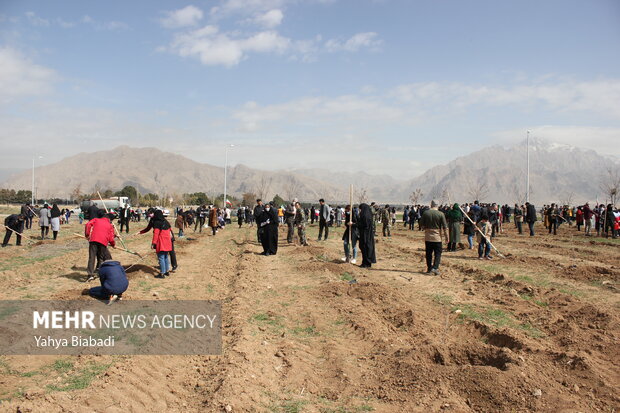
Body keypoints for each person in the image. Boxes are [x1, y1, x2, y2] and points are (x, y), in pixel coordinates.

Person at [85, 210, 115, 281]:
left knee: (91, 258)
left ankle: (90, 275)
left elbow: (88, 224)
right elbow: (111, 237)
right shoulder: (110, 225)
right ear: (109, 219)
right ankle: (99, 273)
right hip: (103, 242)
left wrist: (87, 234)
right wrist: (113, 244)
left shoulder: (96, 220)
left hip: (93, 240)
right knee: (101, 258)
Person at [419, 200, 448, 275]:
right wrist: (447, 237)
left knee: (428, 253)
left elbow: (421, 224)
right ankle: (435, 268)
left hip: (428, 237)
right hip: (437, 237)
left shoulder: (426, 213)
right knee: (438, 253)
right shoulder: (441, 214)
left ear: (431, 205)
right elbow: (445, 227)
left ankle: (429, 268)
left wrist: (425, 228)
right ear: (437, 205)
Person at [152, 212, 174, 278]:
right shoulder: (166, 222)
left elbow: (156, 234)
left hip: (161, 242)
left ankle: (162, 273)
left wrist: (154, 243)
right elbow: (170, 231)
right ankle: (167, 271)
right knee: (166, 257)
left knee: (161, 257)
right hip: (168, 241)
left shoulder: (157, 223)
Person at [357, 203, 376, 268]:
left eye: (360, 209)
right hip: (368, 235)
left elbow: (363, 225)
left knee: (365, 248)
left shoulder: (365, 216)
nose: (360, 211)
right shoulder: (368, 214)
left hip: (365, 235)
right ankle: (367, 263)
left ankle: (365, 263)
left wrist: (355, 224)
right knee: (367, 248)